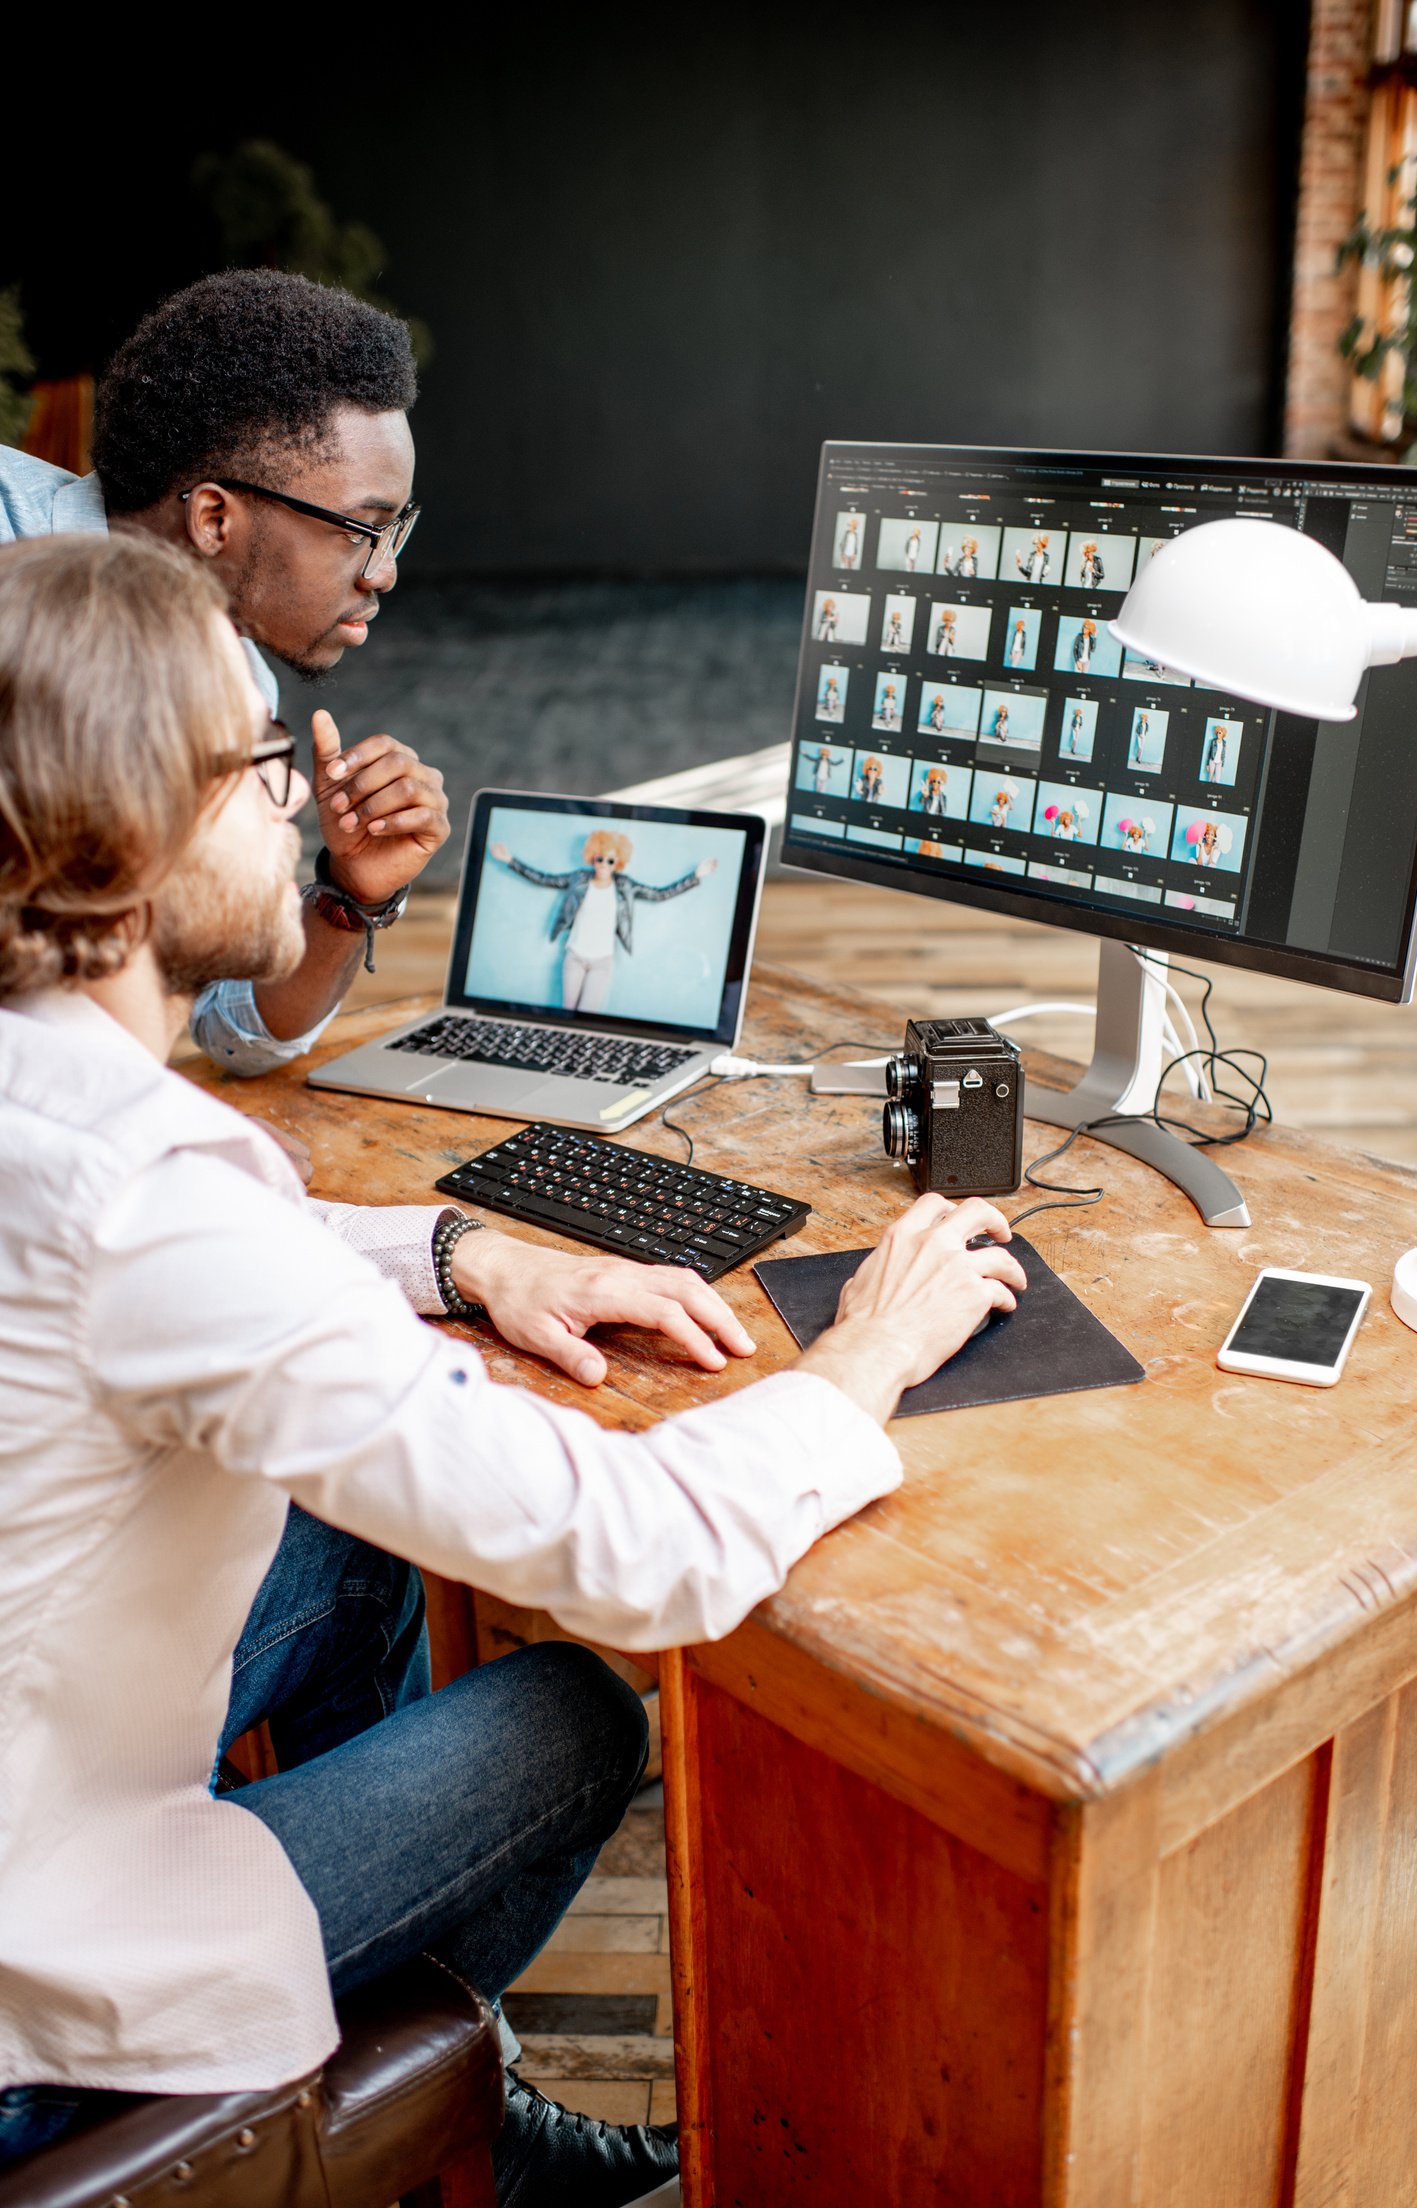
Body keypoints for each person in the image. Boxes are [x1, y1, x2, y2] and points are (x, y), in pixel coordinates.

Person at [0, 535, 1027, 2199]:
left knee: (339, 1553)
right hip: (26, 1999)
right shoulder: (142, 1197)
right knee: (566, 1709)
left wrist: (462, 1253)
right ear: (125, 829)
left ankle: (425, 2065)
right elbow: (635, 1551)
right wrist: (862, 1351)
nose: (296, 801)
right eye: (258, 767)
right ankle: (422, 2100)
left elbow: (147, 1270)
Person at [0, 270, 451, 1077]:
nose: (382, 573)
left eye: (398, 532)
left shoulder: (234, 685)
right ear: (214, 517)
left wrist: (353, 896)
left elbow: (228, 1027)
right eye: (363, 530)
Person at [487, 829, 718, 1016]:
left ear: (618, 862)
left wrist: (695, 877)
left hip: (602, 962)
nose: (604, 864)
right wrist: (510, 860)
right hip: (575, 956)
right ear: (592, 857)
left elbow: (660, 894)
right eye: (600, 858)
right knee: (568, 1014)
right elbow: (544, 879)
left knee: (587, 1017)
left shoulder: (625, 885)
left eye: (610, 860)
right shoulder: (578, 879)